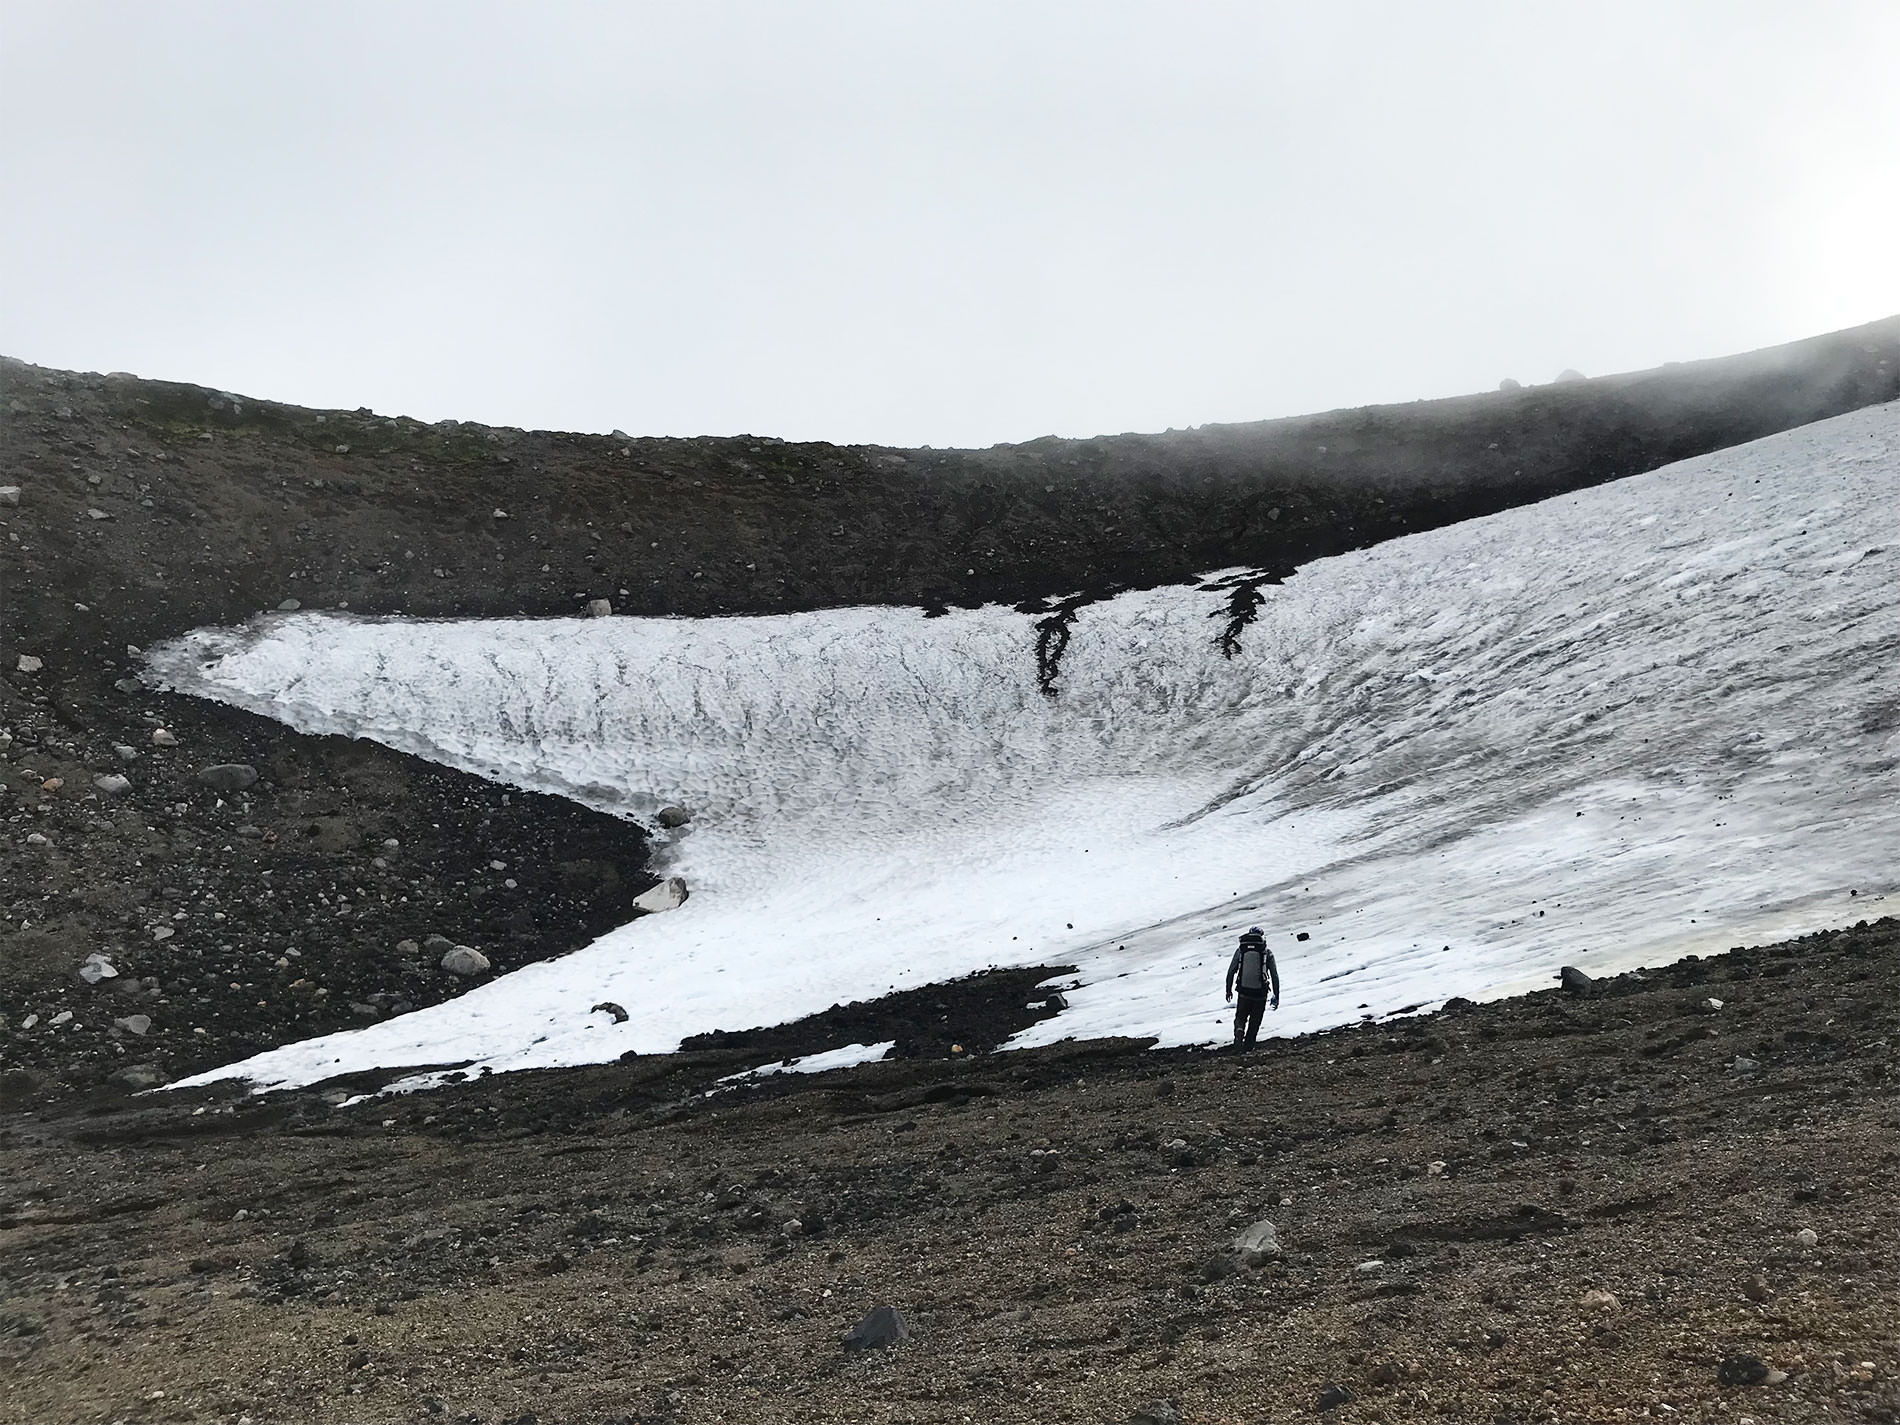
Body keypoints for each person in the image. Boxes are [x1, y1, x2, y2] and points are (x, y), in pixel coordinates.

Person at [1224, 926, 1280, 1048]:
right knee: (1255, 1022)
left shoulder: (1241, 951)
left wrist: (1228, 990)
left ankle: (1239, 1030)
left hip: (1244, 991)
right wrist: (1276, 995)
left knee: (1241, 1016)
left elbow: (1231, 971)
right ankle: (1248, 1047)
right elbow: (1274, 976)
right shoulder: (1267, 952)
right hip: (1260, 993)